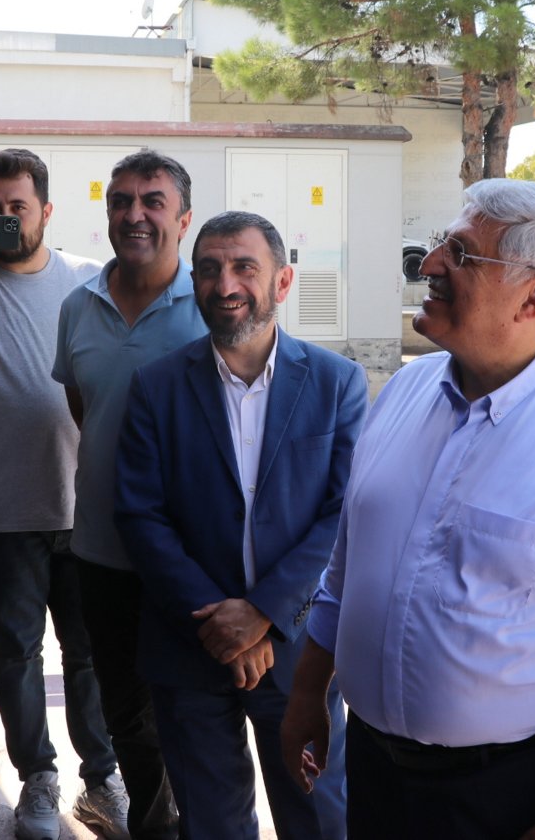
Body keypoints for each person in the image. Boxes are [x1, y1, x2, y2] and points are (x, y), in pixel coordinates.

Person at [281, 179, 535, 840]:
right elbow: (346, 570)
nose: (431, 263)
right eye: (444, 243)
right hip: (376, 772)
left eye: (463, 255)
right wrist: (306, 697)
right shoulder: (405, 392)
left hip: (515, 797)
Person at [116, 210, 366, 839]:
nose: (225, 284)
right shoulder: (156, 387)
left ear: (282, 282)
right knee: (212, 823)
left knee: (318, 816)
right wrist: (218, 617)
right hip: (189, 645)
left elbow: (346, 512)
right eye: (208, 269)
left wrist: (262, 613)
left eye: (244, 267)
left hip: (301, 650)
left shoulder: (338, 384)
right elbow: (140, 514)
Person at [0, 148, 125, 840]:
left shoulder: (89, 281)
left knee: (92, 655)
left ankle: (102, 781)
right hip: (1, 510)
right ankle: (37, 780)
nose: (7, 220)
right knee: (15, 653)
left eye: (20, 206)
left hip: (85, 507)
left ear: (47, 210)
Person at [52, 149, 207, 840]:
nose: (134, 214)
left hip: (186, 554)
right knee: (125, 713)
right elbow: (86, 407)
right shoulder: (77, 306)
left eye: (152, 200)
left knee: (189, 712)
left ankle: (198, 824)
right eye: (122, 201)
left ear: (183, 217)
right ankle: (154, 829)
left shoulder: (211, 305)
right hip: (100, 548)